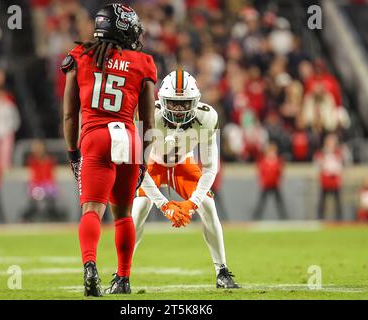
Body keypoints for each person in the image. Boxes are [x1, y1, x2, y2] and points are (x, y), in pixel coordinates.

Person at [62, 4, 156, 297]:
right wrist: (142, 161)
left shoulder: (80, 56)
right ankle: (124, 278)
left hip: (95, 137)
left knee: (91, 209)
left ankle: (90, 265)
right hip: (127, 138)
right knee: (124, 215)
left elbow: (69, 115)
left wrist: (72, 153)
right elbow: (148, 122)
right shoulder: (143, 63)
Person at [132, 70, 241, 289]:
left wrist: (192, 203)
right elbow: (138, 168)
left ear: (196, 101)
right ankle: (122, 273)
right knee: (139, 209)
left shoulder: (207, 117)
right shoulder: (147, 115)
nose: (179, 110)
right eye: (173, 103)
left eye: (184, 104)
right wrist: (164, 206)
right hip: (151, 163)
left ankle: (222, 271)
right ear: (162, 101)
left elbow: (211, 168)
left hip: (183, 163)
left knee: (208, 206)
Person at [22, 140, 62, 222]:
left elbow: (51, 177)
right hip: (37, 186)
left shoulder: (50, 160)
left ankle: (53, 215)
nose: (37, 150)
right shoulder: (32, 160)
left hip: (47, 185)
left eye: (39, 147)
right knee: (35, 191)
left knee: (51, 190)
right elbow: (32, 177)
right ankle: (28, 216)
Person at [252, 142, 288, 220]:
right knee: (261, 202)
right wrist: (263, 181)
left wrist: (278, 181)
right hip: (266, 184)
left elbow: (280, 172)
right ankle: (256, 218)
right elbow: (261, 171)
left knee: (279, 203)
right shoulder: (264, 160)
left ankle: (284, 218)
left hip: (274, 184)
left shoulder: (277, 160)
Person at [315, 134, 345, 220]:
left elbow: (341, 166)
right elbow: (318, 164)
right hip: (326, 179)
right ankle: (320, 218)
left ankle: (339, 219)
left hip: (334, 179)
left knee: (337, 201)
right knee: (322, 201)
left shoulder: (338, 152)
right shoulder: (322, 153)